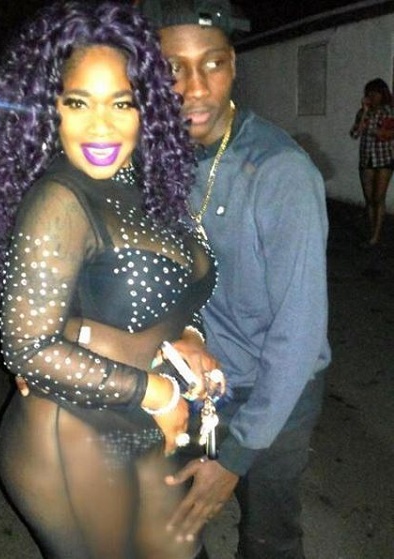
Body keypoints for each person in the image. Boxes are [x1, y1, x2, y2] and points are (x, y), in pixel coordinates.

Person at [0, 2, 219, 558]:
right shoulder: (60, 200)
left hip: (130, 423)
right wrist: (158, 393)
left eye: (121, 102)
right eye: (78, 102)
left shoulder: (144, 181)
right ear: (49, 109)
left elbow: (170, 287)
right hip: (69, 439)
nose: (101, 126)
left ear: (147, 107)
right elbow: (28, 348)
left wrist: (189, 334)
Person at [139, 1, 331, 558]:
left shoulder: (279, 171)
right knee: (170, 534)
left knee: (270, 541)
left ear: (234, 66)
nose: (195, 87)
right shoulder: (154, 160)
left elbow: (299, 333)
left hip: (273, 393)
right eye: (173, 68)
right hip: (189, 382)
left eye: (213, 63)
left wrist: (236, 456)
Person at [350, 78, 394, 248]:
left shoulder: (389, 111)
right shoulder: (363, 112)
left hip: (384, 159)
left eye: (375, 93)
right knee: (369, 198)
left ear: (382, 94)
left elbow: (390, 133)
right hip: (366, 158)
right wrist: (364, 112)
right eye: (369, 93)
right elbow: (355, 134)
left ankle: (376, 235)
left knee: (378, 197)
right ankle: (371, 229)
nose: (372, 96)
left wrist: (379, 132)